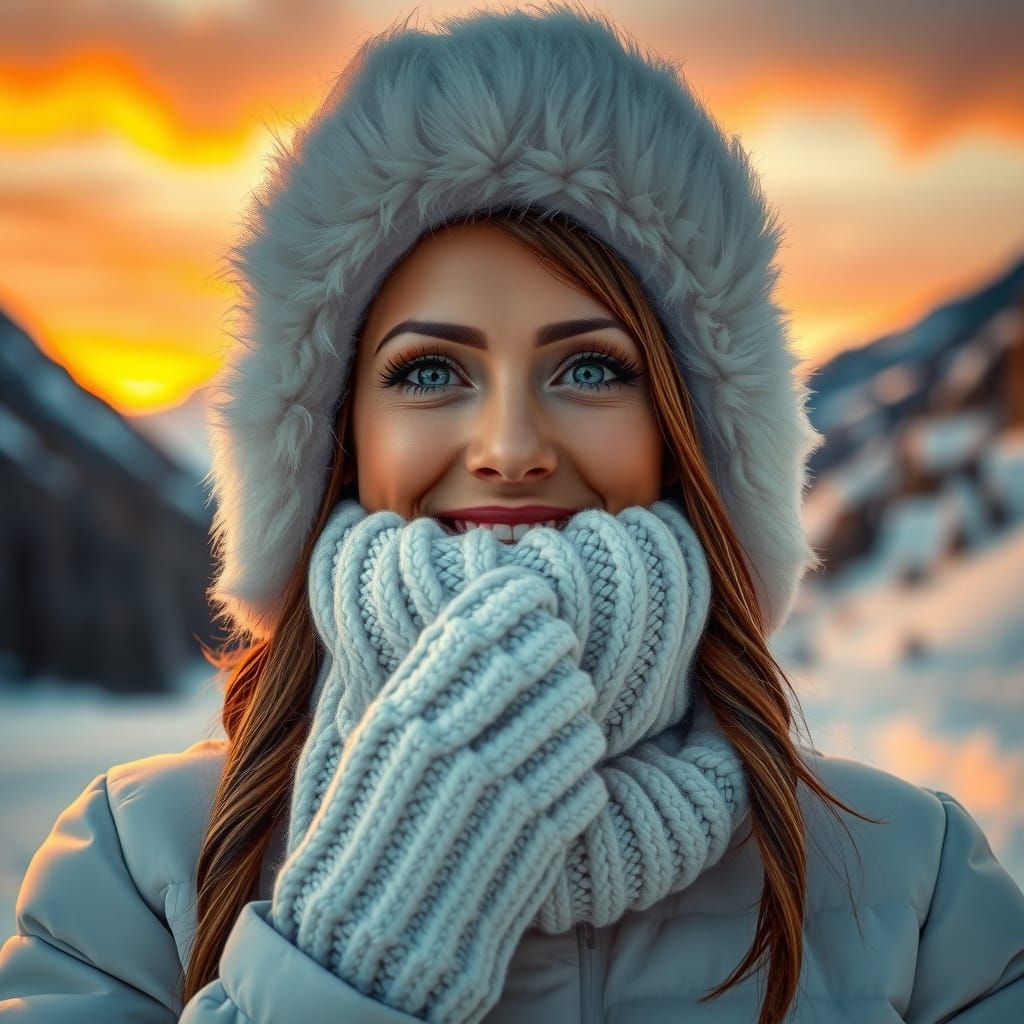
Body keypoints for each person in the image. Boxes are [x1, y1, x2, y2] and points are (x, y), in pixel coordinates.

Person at [2, 6, 1023, 1023]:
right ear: (337, 440)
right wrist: (357, 952)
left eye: (590, 367)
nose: (508, 445)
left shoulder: (914, 881)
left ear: (683, 436)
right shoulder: (139, 866)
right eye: (429, 370)